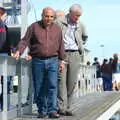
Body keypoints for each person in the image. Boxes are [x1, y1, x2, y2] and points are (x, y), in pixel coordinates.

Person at [13, 7, 65, 118]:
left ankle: (52, 111)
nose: (49, 18)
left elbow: (61, 45)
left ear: (54, 17)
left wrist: (62, 61)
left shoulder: (57, 29)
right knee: (39, 86)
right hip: (37, 60)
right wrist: (19, 51)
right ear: (42, 15)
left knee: (52, 85)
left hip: (53, 60)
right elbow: (25, 41)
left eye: (51, 16)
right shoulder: (34, 27)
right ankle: (42, 110)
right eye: (47, 16)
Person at [55, 4, 88, 115]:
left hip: (75, 54)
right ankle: (61, 108)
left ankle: (69, 107)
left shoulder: (80, 24)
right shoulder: (59, 22)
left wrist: (79, 45)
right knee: (61, 82)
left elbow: (85, 37)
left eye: (79, 16)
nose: (78, 18)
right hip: (62, 54)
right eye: (76, 15)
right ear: (70, 13)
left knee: (72, 82)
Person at [0, 7, 11, 111]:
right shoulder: (2, 25)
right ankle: (4, 105)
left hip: (4, 54)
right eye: (6, 15)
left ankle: (4, 105)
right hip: (3, 56)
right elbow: (3, 42)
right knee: (6, 82)